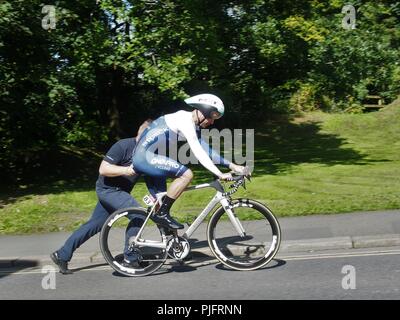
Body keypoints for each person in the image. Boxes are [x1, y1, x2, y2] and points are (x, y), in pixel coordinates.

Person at [50, 119, 166, 274]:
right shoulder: (122, 146)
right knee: (138, 215)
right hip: (108, 190)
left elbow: (151, 179)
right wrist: (125, 170)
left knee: (94, 225)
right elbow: (103, 169)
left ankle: (62, 254)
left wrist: (157, 196)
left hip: (120, 192)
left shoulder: (147, 153)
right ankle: (130, 259)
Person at [132, 94, 245, 230]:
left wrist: (233, 166)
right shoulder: (184, 120)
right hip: (145, 157)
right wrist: (220, 174)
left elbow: (207, 151)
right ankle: (162, 214)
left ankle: (169, 244)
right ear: (203, 111)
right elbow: (198, 152)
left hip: (151, 157)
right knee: (187, 175)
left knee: (161, 203)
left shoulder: (192, 124)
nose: (212, 122)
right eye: (212, 116)